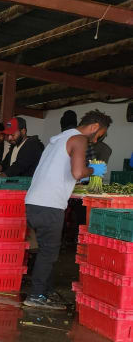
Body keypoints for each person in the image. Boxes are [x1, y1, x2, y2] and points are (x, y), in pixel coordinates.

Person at [23, 110, 112, 309]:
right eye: (99, 135)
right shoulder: (78, 138)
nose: (96, 141)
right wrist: (93, 170)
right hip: (49, 204)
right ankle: (36, 296)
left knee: (46, 250)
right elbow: (78, 172)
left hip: (33, 202)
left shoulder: (57, 140)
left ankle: (45, 292)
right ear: (95, 127)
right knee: (49, 253)